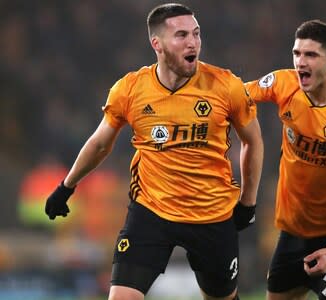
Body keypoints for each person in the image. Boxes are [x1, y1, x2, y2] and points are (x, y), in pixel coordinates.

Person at [44, 3, 263, 300]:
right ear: (156, 44)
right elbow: (100, 143)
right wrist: (66, 186)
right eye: (182, 35)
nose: (193, 43)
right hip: (152, 211)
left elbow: (253, 141)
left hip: (210, 213)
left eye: (196, 34)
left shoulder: (226, 86)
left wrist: (248, 203)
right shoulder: (131, 89)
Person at [245, 20, 326, 300]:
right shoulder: (284, 84)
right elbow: (236, 94)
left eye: (310, 55)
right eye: (296, 53)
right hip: (294, 230)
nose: (300, 62)